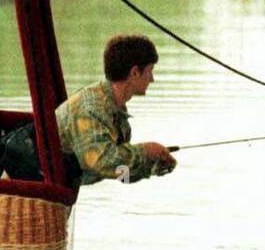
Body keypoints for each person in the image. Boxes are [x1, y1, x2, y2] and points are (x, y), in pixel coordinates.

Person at [53, 34, 177, 186]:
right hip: (33, 176)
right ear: (135, 72)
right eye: (150, 71)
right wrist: (146, 151)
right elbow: (101, 162)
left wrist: (152, 166)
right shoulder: (91, 108)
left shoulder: (118, 117)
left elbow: (118, 173)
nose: (152, 79)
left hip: (58, 184)